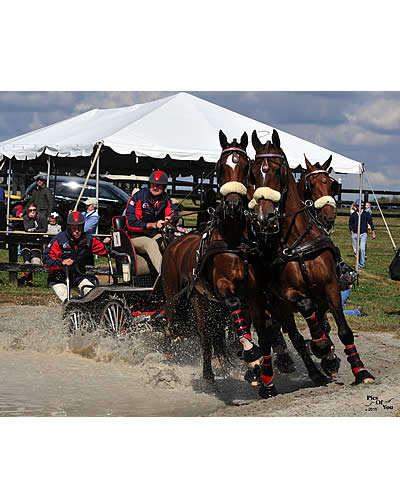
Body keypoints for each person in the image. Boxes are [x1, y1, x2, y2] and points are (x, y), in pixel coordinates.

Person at [43, 211, 111, 303]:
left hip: (80, 276)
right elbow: (46, 259)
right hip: (59, 278)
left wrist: (112, 246)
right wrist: (62, 262)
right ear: (69, 227)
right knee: (68, 301)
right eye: (74, 228)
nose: (77, 231)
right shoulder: (59, 240)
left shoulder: (88, 240)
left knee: (92, 295)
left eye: (79, 228)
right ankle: (71, 313)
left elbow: (105, 250)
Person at [125, 170, 179, 274]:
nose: (155, 188)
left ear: (164, 187)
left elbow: (173, 213)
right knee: (150, 243)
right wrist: (153, 225)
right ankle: (165, 276)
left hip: (156, 235)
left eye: (158, 185)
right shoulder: (138, 198)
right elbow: (131, 223)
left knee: (174, 241)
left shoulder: (166, 199)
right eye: (153, 185)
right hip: (135, 237)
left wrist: (170, 219)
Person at [18, 203, 47, 287]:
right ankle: (29, 281)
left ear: (36, 210)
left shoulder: (42, 218)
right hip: (26, 244)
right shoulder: (26, 218)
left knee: (35, 263)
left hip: (37, 244)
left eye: (34, 210)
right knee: (27, 262)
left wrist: (35, 231)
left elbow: (44, 229)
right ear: (27, 211)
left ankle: (23, 277)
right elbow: (28, 229)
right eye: (30, 210)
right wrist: (32, 220)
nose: (32, 212)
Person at [349, 199, 376, 269]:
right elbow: (350, 224)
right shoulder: (353, 214)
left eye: (360, 205)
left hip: (363, 233)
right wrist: (351, 232)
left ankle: (362, 264)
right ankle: (357, 264)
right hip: (355, 234)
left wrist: (373, 232)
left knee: (362, 248)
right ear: (356, 206)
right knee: (356, 250)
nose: (359, 207)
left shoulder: (366, 214)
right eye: (358, 206)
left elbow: (371, 223)